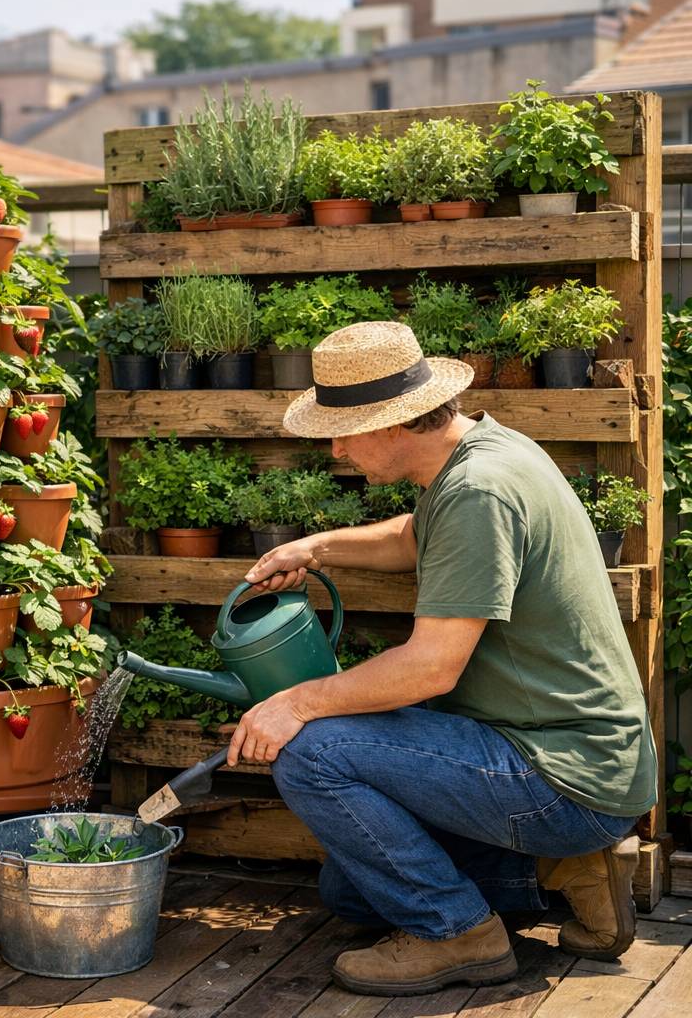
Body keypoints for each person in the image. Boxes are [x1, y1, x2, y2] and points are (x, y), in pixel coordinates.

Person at [231, 321, 656, 998]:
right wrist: (317, 548)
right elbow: (413, 536)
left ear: (395, 422)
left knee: (309, 750)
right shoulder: (485, 453)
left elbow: (431, 669)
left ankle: (460, 936)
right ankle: (566, 872)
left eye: (342, 430)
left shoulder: (478, 492)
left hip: (559, 772)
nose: (335, 450)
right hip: (563, 758)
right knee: (353, 890)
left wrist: (296, 703)